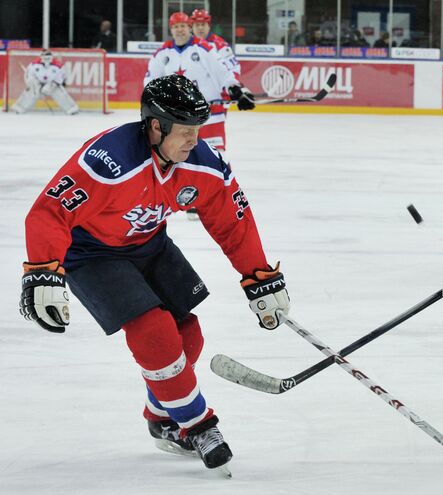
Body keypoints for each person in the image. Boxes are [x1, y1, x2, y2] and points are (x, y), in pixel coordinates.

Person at [19, 74, 290, 475]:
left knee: (188, 336)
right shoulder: (109, 160)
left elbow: (233, 222)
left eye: (197, 130)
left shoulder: (203, 163)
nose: (193, 141)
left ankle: (161, 417)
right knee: (154, 333)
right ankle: (198, 426)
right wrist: (44, 271)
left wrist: (259, 276)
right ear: (155, 125)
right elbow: (49, 212)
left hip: (148, 243)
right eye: (184, 132)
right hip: (91, 254)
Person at [146, 12, 254, 153]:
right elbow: (151, 82)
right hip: (179, 118)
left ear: (189, 28)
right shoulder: (162, 53)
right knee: (182, 161)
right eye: (176, 26)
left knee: (215, 157)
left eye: (183, 26)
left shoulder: (204, 48)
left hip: (210, 114)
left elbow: (223, 72)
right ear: (171, 29)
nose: (179, 30)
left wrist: (234, 89)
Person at [11, 49, 79, 115]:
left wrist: (52, 85)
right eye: (45, 57)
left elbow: (62, 78)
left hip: (52, 84)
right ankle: (19, 107)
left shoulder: (59, 66)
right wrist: (35, 84)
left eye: (48, 57)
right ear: (41, 57)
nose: (47, 59)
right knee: (32, 91)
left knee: (60, 93)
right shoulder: (33, 65)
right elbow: (28, 76)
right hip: (38, 83)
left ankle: (71, 109)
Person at [191, 9, 242, 79]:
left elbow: (235, 68)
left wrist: (231, 85)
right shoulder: (186, 44)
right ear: (192, 27)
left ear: (208, 26)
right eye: (197, 25)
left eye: (203, 24)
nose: (200, 28)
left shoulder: (220, 44)